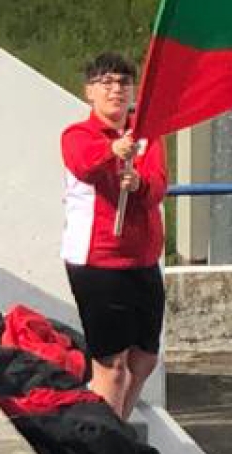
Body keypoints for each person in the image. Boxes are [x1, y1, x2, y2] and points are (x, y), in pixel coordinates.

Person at [60, 52, 167, 421]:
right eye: (105, 82)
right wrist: (112, 151)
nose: (116, 89)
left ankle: (116, 425)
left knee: (145, 358)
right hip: (98, 261)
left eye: (123, 82)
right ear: (89, 91)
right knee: (112, 365)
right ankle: (109, 436)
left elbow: (157, 187)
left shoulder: (148, 137)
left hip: (142, 259)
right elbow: (84, 165)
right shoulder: (78, 135)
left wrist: (138, 184)